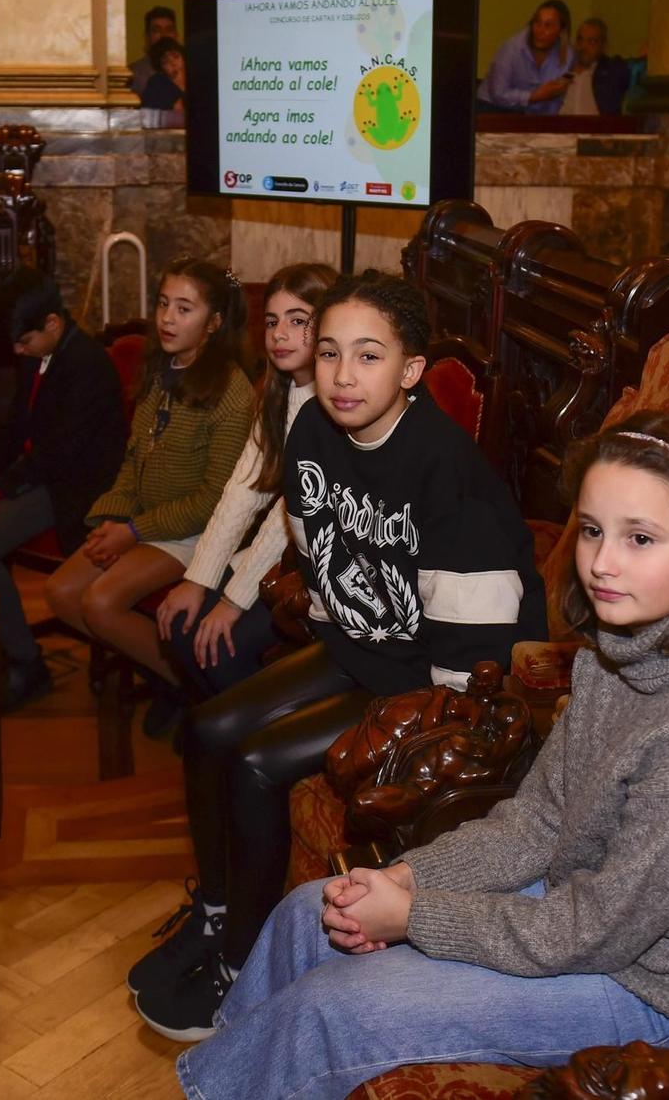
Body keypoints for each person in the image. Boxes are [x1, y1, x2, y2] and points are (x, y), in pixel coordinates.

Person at [174, 411, 669, 1094]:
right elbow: (539, 821)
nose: (602, 562)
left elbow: (596, 930)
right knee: (309, 914)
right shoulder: (617, 654)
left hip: (660, 990)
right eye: (594, 530)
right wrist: (406, 878)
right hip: (590, 909)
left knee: (331, 1010)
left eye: (641, 538)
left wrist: (414, 917)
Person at [130, 271, 546, 1039]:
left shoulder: (446, 468)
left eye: (368, 356)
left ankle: (244, 968)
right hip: (356, 643)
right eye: (329, 353)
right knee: (207, 727)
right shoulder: (312, 431)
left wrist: (433, 717)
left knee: (255, 762)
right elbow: (321, 552)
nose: (343, 375)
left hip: (432, 675)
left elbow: (481, 645)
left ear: (411, 371)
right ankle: (216, 914)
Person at [45, 260, 252, 712]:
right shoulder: (161, 371)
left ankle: (193, 690)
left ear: (214, 323)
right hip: (144, 522)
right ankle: (163, 673)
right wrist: (111, 519)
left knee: (100, 603)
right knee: (61, 594)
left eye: (184, 309)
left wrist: (133, 532)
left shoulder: (233, 391)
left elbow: (213, 501)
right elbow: (134, 460)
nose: (167, 319)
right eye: (163, 304)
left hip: (194, 534)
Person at [156, 262, 337, 698]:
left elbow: (287, 517)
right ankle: (212, 722)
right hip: (282, 559)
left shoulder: (336, 401)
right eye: (272, 322)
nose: (279, 334)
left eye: (299, 322)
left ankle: (255, 738)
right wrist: (198, 578)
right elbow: (244, 488)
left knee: (224, 646)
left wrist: (233, 601)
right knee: (182, 625)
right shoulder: (276, 391)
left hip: (321, 570)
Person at [0, 270, 126, 711]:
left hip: (78, 490)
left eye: (24, 341)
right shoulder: (40, 353)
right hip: (44, 474)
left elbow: (55, 457)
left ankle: (28, 664)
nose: (18, 351)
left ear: (53, 324)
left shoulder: (87, 365)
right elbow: (15, 428)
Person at [476, 0, 573, 115]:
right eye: (537, 22)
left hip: (528, 113)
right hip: (490, 107)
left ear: (561, 31)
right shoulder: (512, 48)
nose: (540, 30)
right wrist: (533, 96)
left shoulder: (568, 55)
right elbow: (498, 94)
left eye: (548, 25)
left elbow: (555, 101)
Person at [558, 17, 630, 117]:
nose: (583, 46)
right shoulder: (568, 71)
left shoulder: (611, 69)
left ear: (603, 45)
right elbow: (556, 92)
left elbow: (627, 75)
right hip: (563, 129)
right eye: (580, 39)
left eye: (592, 41)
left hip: (597, 130)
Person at [130, 6, 180, 97]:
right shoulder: (133, 74)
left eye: (169, 30)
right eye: (157, 30)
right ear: (147, 36)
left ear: (176, 35)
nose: (164, 35)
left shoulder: (189, 70)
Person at [141, 38, 187, 127]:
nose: (173, 63)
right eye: (166, 62)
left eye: (176, 57)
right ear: (161, 68)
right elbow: (147, 117)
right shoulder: (157, 84)